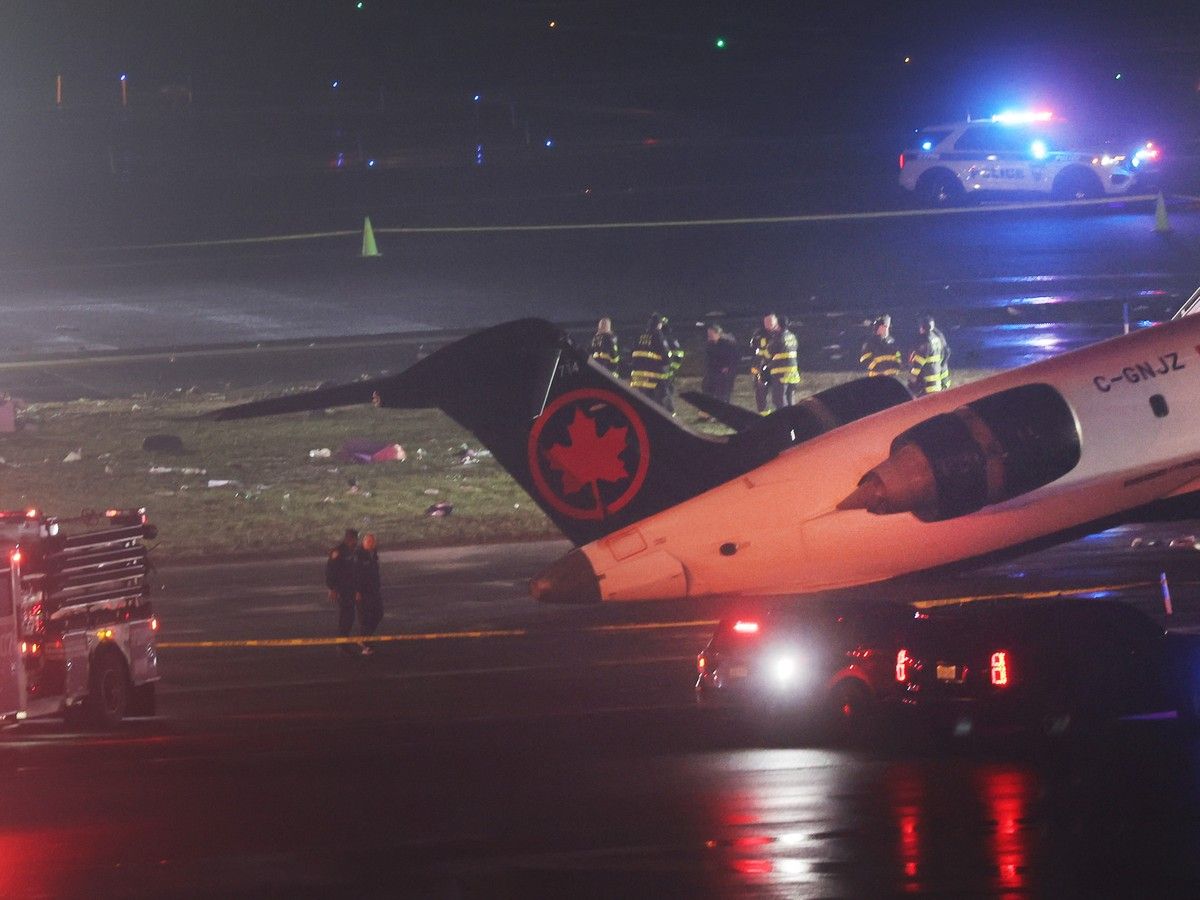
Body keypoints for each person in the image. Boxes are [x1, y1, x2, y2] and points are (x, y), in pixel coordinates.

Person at [751, 313, 800, 412]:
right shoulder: (791, 336)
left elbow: (768, 354)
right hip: (788, 372)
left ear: (777, 323)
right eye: (766, 322)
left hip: (778, 372)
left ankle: (785, 418)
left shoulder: (778, 337)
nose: (768, 325)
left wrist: (764, 364)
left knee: (779, 400)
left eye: (771, 322)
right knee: (787, 398)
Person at [630, 312, 676, 413]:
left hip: (638, 374)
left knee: (642, 400)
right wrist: (669, 363)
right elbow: (665, 353)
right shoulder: (658, 334)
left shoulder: (640, 335)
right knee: (661, 400)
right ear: (658, 324)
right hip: (654, 374)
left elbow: (632, 352)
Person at [325, 528, 360, 654]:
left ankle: (343, 643)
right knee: (346, 616)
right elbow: (330, 571)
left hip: (351, 589)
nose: (356, 541)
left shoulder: (353, 551)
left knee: (348, 616)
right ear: (349, 539)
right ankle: (341, 644)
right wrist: (332, 588)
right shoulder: (338, 552)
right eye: (354, 539)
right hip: (342, 590)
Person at [355, 533, 383, 656]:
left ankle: (364, 638)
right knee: (364, 618)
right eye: (368, 541)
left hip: (374, 591)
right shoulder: (358, 556)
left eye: (372, 541)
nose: (371, 544)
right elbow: (354, 574)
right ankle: (365, 646)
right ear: (363, 543)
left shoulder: (373, 555)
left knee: (378, 613)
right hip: (362, 593)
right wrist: (356, 591)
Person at [909, 314, 951, 394]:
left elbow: (918, 362)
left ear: (923, 328)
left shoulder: (926, 342)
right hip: (938, 383)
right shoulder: (938, 338)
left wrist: (912, 377)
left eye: (921, 327)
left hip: (927, 385)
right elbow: (946, 354)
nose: (920, 329)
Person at [702, 323, 739, 405]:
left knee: (723, 394)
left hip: (725, 373)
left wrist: (727, 367)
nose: (709, 335)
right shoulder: (710, 344)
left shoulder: (728, 343)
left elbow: (733, 357)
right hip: (713, 371)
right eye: (708, 334)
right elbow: (708, 358)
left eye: (711, 333)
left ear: (717, 333)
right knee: (707, 390)